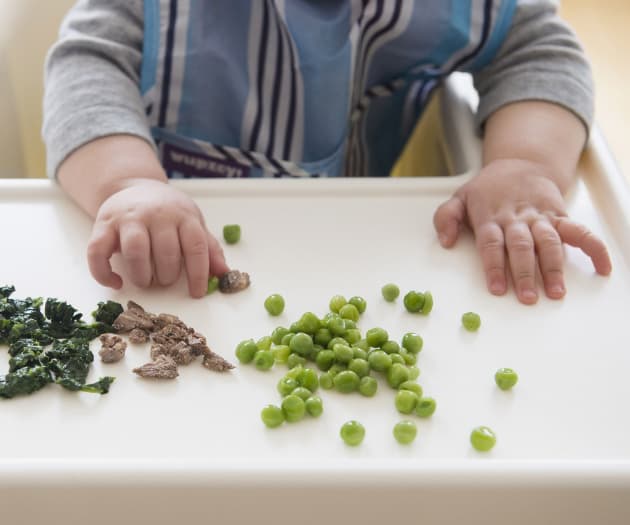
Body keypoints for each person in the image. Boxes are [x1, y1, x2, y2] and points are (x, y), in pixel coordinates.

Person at [43, 0, 612, 302]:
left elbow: (538, 50)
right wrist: (125, 184)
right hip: (166, 258)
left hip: (349, 245)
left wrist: (524, 164)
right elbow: (86, 64)